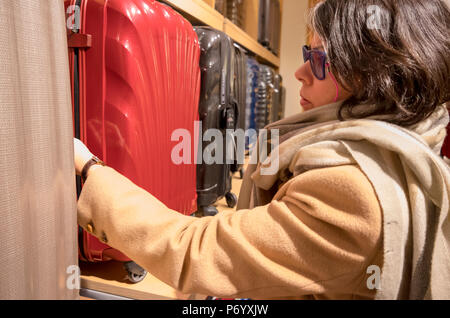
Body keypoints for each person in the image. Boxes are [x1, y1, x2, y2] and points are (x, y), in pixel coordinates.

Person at [74, 0, 450, 299]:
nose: (300, 72)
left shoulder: (353, 191)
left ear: (372, 76)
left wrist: (89, 167)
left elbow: (194, 253)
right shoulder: (406, 152)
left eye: (318, 60)